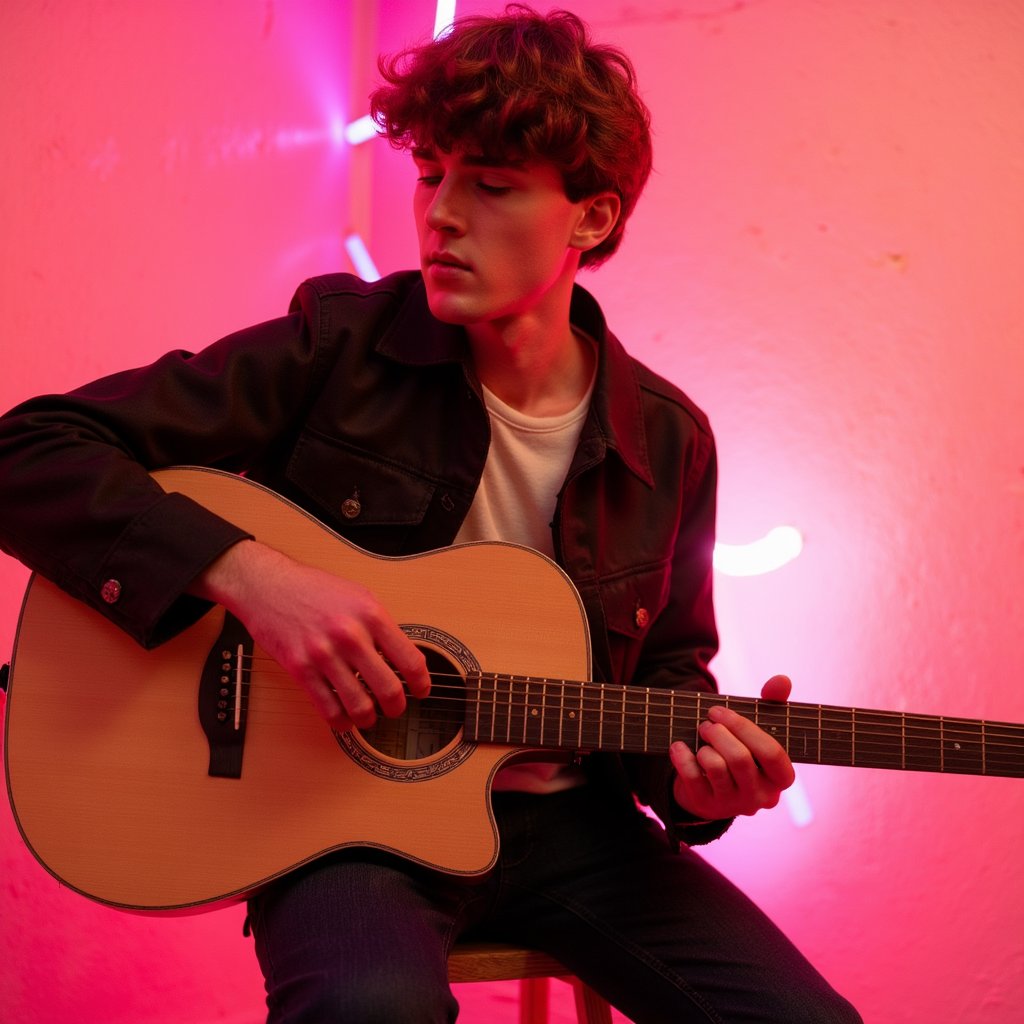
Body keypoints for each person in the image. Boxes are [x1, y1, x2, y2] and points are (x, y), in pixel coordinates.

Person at [0, 6, 862, 1022]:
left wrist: (698, 791)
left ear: (588, 217)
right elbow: (26, 452)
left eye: (491, 186)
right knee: (371, 1009)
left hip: (578, 831)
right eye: (430, 175)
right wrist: (252, 576)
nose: (441, 214)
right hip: (340, 824)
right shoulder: (338, 347)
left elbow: (667, 678)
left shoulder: (667, 437)